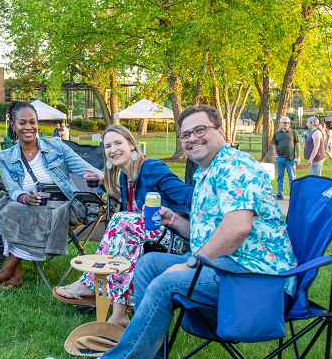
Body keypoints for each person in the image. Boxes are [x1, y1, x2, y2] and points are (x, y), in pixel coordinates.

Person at [101, 105, 297, 358]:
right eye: (185, 134)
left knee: (164, 284)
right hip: (225, 263)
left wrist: (190, 263)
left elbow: (237, 228)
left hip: (256, 276)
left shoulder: (235, 165)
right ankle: (148, 353)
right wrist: (173, 219)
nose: (192, 138)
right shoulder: (207, 172)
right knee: (148, 264)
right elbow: (205, 232)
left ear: (221, 132)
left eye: (200, 130)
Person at [54, 125, 194, 327]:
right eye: (107, 146)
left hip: (179, 239)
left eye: (118, 143)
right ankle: (111, 304)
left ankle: (96, 290)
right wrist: (107, 185)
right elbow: (130, 209)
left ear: (132, 145)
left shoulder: (152, 169)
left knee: (122, 220)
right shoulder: (125, 176)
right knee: (121, 220)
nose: (113, 150)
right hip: (146, 237)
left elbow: (189, 196)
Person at [0, 101, 102, 289]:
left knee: (15, 211)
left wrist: (104, 180)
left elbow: (86, 170)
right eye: (22, 123)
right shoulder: (4, 157)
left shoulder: (57, 147)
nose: (28, 127)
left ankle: (7, 271)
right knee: (5, 204)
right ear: (13, 125)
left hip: (65, 207)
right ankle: (16, 275)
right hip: (26, 206)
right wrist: (26, 198)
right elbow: (12, 190)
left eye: (32, 122)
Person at [271, 116, 301, 199]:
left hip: (290, 158)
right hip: (280, 158)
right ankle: (280, 193)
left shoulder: (293, 132)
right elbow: (274, 146)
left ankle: (293, 194)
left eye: (288, 123)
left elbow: (297, 145)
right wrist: (276, 156)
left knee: (292, 177)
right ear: (281, 123)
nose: (286, 124)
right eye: (284, 123)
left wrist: (298, 157)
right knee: (280, 177)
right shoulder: (277, 134)